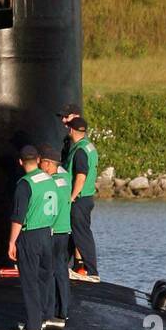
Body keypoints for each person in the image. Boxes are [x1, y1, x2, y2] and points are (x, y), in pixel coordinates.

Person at [7, 144, 57, 330]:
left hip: (30, 235)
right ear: (38, 160)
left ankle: (33, 327)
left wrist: (12, 242)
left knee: (29, 281)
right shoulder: (49, 179)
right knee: (45, 277)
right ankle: (44, 317)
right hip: (47, 233)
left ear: (20, 162)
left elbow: (18, 217)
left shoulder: (24, 184)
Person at [37, 146, 72, 328]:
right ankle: (62, 311)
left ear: (49, 164)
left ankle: (47, 313)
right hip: (64, 230)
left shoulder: (50, 183)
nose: (40, 166)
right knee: (61, 271)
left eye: (42, 162)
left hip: (53, 230)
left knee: (48, 271)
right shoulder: (65, 178)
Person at [65, 116, 99, 281]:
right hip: (87, 197)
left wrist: (71, 197)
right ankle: (76, 267)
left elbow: (80, 176)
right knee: (80, 233)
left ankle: (92, 272)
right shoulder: (89, 146)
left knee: (82, 234)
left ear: (71, 130)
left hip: (80, 198)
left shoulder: (79, 151)